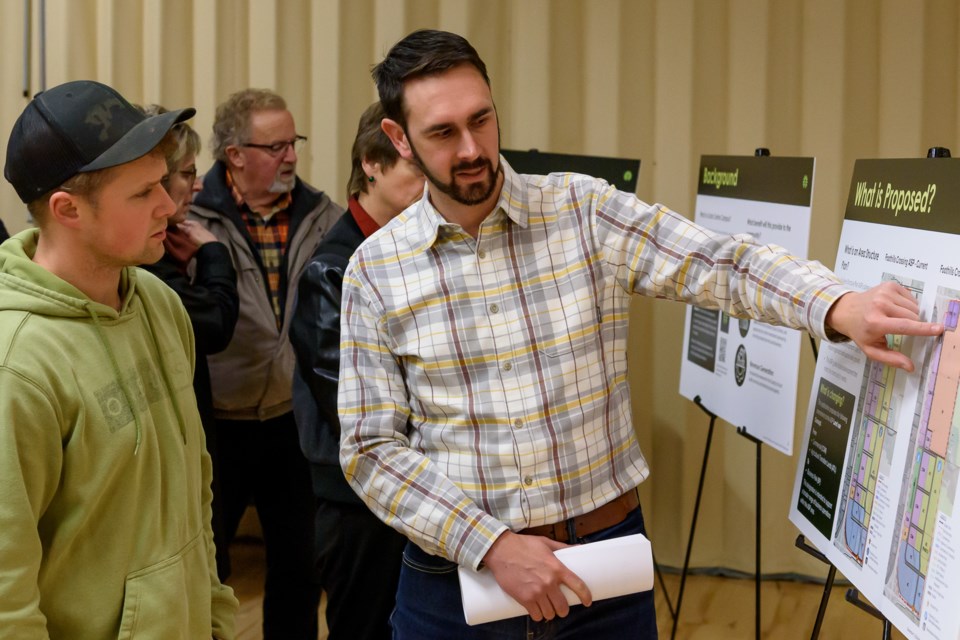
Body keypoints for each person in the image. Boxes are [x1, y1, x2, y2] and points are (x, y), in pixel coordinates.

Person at [337, 29, 944, 639]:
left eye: (482, 120)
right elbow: (370, 448)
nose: (472, 148)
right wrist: (491, 544)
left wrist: (835, 303)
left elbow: (717, 263)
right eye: (443, 132)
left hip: (602, 574)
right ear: (399, 139)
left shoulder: (582, 211)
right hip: (455, 588)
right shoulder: (374, 270)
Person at [0, 80, 237, 638]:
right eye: (142, 193)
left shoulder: (158, 303)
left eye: (164, 182)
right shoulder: (19, 366)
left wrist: (216, 614)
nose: (167, 204)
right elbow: (6, 593)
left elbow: (195, 485)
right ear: (67, 209)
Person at [189, 88, 341, 639]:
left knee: (300, 568)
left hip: (291, 420)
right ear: (234, 155)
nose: (292, 157)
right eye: (275, 146)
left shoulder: (325, 216)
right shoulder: (186, 216)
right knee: (209, 568)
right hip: (217, 428)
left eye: (293, 143)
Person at [289, 101, 424, 640]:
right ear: (371, 163)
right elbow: (348, 401)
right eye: (416, 167)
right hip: (357, 501)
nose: (430, 182)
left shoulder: (413, 247)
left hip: (414, 486)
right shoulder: (332, 267)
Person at [139, 105, 239, 580]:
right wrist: (215, 255)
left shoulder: (166, 244)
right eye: (186, 174)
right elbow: (214, 325)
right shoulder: (143, 263)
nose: (196, 186)